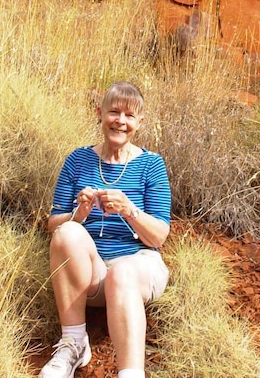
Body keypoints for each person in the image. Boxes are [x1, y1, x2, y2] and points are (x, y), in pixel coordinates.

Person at [39, 81, 172, 378]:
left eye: (129, 115)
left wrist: (129, 210)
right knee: (67, 232)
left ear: (140, 122)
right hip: (93, 273)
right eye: (114, 112)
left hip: (138, 268)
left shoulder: (152, 165)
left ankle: (131, 373)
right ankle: (73, 344)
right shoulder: (77, 160)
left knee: (122, 272)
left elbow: (159, 236)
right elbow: (53, 225)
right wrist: (79, 213)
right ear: (100, 113)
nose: (120, 121)